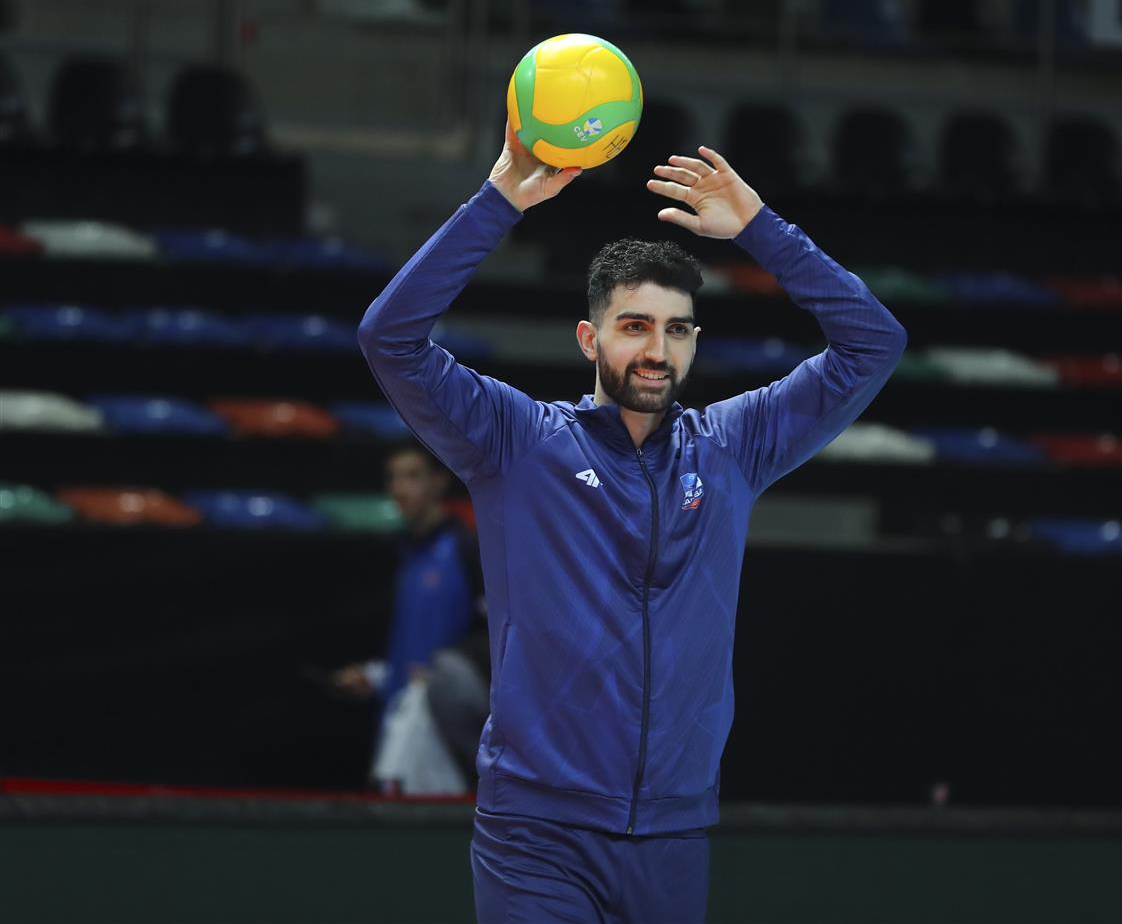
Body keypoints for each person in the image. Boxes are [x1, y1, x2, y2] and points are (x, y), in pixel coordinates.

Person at [357, 123, 907, 922]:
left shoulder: (731, 446)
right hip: (537, 831)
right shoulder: (516, 441)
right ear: (590, 338)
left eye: (676, 329)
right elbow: (390, 338)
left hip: (673, 836)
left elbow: (873, 344)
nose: (658, 349)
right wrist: (500, 199)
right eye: (635, 325)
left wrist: (760, 228)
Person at [331, 442, 488, 794]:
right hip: (398, 722)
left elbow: (497, 637)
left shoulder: (468, 549)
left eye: (412, 476)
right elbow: (403, 645)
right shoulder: (396, 555)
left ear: (439, 482)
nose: (400, 488)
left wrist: (445, 674)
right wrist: (374, 675)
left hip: (447, 732)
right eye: (393, 478)